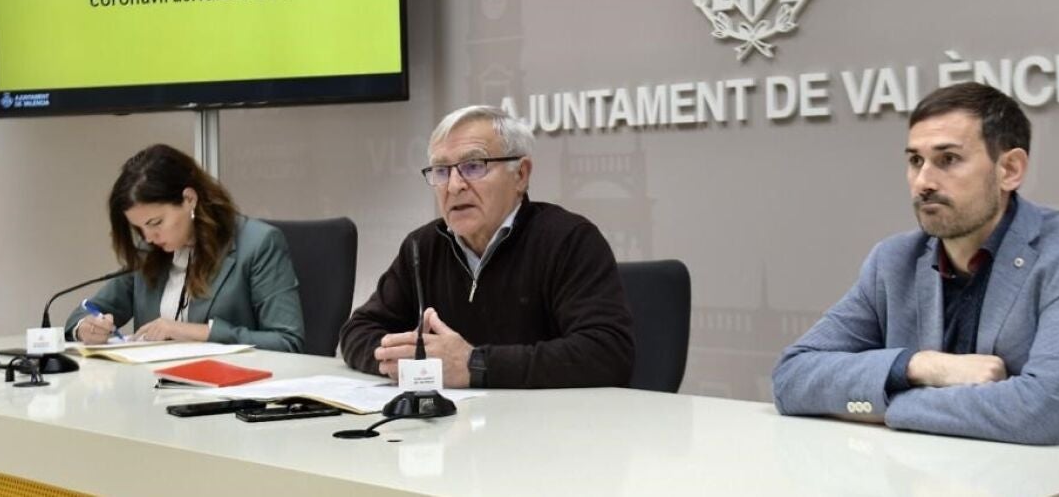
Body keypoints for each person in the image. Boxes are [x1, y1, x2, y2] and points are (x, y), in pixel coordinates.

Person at [772, 82, 1059, 445]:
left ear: (1010, 169)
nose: (923, 182)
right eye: (915, 161)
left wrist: (881, 404)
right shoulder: (893, 261)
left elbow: (1045, 413)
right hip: (927, 467)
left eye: (948, 160)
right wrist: (922, 366)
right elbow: (791, 378)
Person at [339, 105, 634, 388]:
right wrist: (408, 361)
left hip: (547, 419)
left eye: (473, 166)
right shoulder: (422, 246)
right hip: (452, 421)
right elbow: (358, 330)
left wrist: (475, 365)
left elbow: (607, 352)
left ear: (520, 175)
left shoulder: (568, 239)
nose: (454, 186)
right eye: (441, 171)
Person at [64, 144, 305, 352]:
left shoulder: (258, 244)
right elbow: (86, 312)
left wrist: (196, 332)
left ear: (189, 199)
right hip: (154, 386)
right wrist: (86, 327)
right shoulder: (150, 252)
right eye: (139, 228)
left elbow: (287, 342)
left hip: (229, 387)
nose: (148, 237)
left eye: (155, 223)